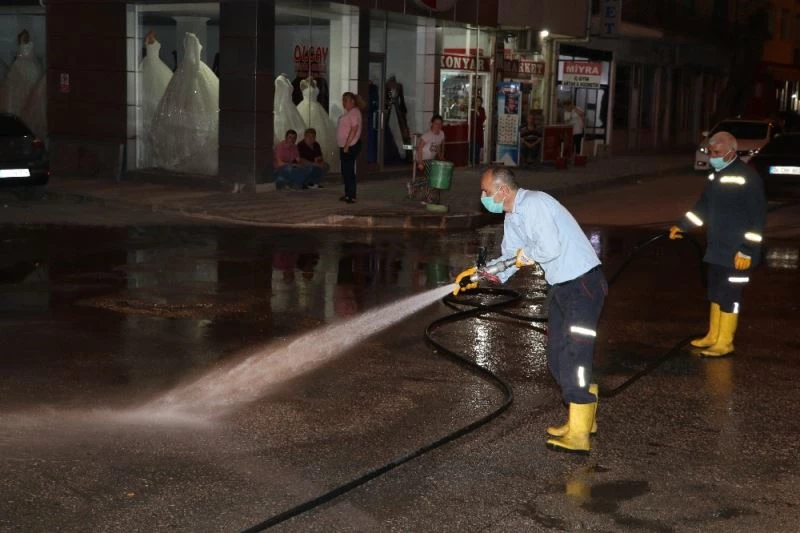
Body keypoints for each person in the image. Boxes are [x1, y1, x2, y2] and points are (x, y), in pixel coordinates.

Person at [454, 166, 606, 454]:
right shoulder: (512, 218)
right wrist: (477, 277)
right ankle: (582, 418)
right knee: (556, 355)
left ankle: (579, 433)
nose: (482, 197)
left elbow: (548, 248)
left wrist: (524, 256)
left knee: (575, 356)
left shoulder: (535, 204)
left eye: (485, 191)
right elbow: (510, 261)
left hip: (582, 285)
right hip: (563, 287)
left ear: (502, 190)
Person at [669, 131, 766, 357]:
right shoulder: (716, 177)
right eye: (710, 152)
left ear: (732, 152)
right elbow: (702, 207)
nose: (713, 157)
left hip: (738, 253)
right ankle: (713, 335)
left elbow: (757, 220)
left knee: (730, 295)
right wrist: (683, 225)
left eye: (717, 153)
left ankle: (725, 342)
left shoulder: (747, 178)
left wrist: (747, 250)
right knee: (715, 292)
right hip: (717, 249)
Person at [411, 114, 446, 204]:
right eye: (436, 123)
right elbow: (419, 148)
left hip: (431, 159)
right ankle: (427, 198)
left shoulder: (441, 134)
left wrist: (441, 157)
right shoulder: (427, 135)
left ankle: (414, 185)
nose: (437, 126)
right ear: (431, 124)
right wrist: (420, 162)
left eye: (440, 124)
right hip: (422, 157)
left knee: (433, 176)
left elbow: (438, 146)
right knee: (430, 177)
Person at [337, 92, 365, 204]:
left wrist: (347, 145)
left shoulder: (354, 112)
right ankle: (348, 194)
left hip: (349, 146)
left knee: (348, 171)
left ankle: (351, 195)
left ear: (352, 101)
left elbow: (354, 129)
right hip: (345, 145)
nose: (344, 103)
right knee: (345, 171)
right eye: (343, 100)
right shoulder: (350, 112)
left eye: (346, 100)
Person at [470, 96, 487, 166]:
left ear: (481, 102)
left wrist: (477, 112)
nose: (477, 102)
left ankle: (476, 162)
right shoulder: (471, 109)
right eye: (476, 101)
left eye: (479, 101)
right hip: (471, 130)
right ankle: (471, 161)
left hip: (478, 131)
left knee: (477, 146)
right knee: (471, 146)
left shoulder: (482, 109)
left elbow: (482, 119)